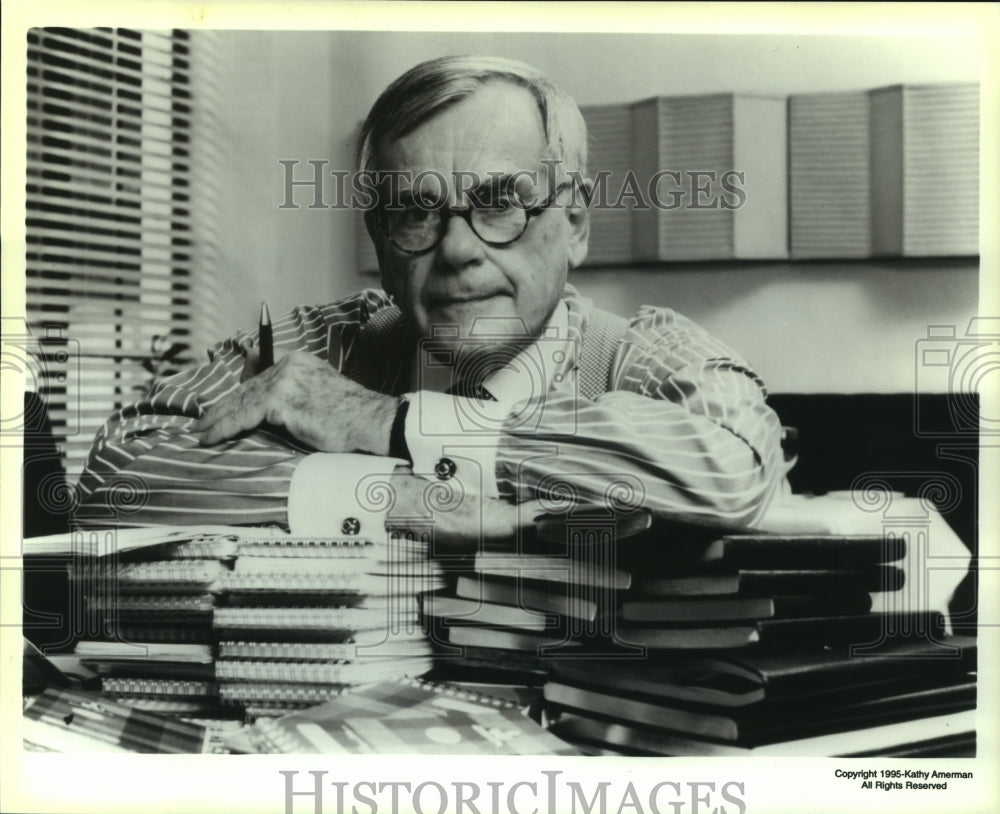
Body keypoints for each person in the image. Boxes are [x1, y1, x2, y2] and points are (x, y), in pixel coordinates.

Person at [75, 55, 786, 545]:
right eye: (414, 211)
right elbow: (115, 474)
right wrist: (407, 499)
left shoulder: (650, 357)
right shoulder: (314, 349)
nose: (456, 250)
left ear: (574, 224)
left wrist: (390, 424)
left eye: (500, 202)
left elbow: (731, 472)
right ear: (379, 240)